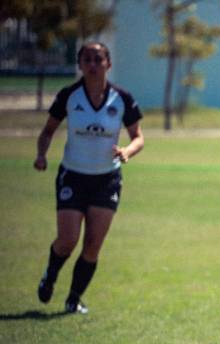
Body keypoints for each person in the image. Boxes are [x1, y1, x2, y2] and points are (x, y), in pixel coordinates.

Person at [34, 42, 144, 314]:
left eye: (98, 59)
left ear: (108, 63)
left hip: (106, 179)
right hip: (73, 176)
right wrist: (41, 155)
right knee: (68, 240)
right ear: (80, 64)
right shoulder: (69, 95)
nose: (92, 65)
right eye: (87, 60)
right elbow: (48, 131)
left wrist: (127, 151)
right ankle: (50, 273)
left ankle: (73, 298)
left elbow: (138, 137)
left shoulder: (122, 98)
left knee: (93, 244)